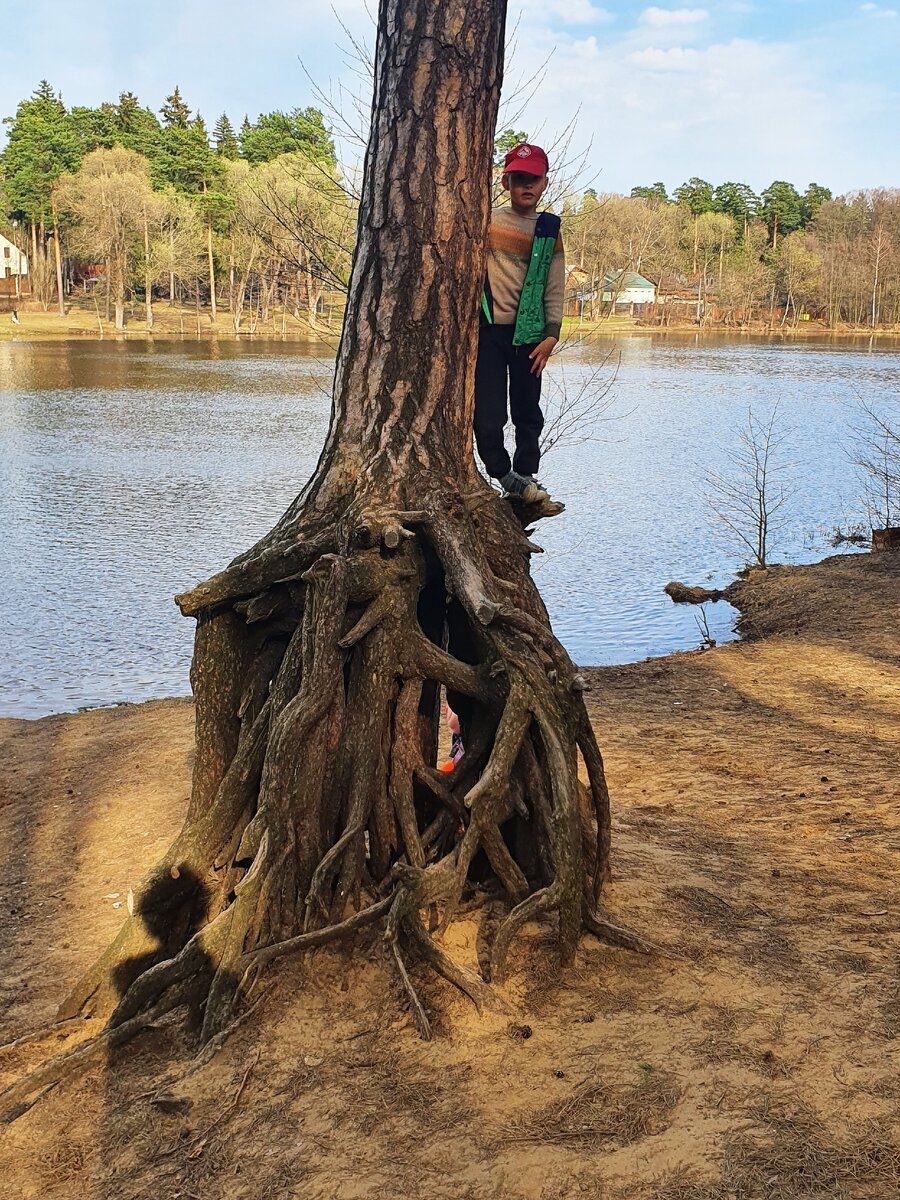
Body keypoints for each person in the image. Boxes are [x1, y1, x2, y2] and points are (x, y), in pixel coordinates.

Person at [475, 142, 564, 503]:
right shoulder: (487, 221)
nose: (527, 186)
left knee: (528, 410)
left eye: (534, 179)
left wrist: (551, 334)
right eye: (519, 178)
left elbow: (554, 284)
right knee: (488, 415)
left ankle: (527, 475)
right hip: (488, 332)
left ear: (544, 183)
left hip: (530, 337)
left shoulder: (548, 230)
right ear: (505, 183)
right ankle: (502, 473)